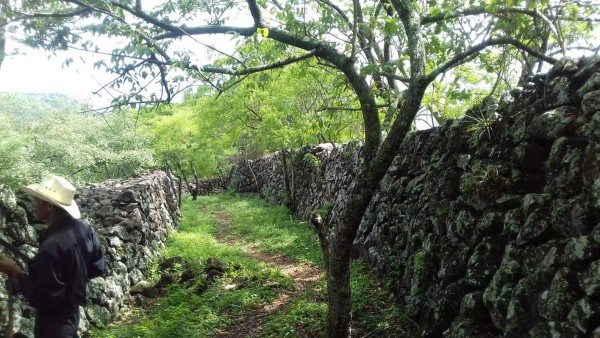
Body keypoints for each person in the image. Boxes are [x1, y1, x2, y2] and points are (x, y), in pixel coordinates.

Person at [0, 175, 106, 338]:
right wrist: (73, 283)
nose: (34, 205)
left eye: (37, 201)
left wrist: (17, 273)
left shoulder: (51, 248)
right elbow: (97, 267)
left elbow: (46, 298)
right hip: (72, 313)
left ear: (49, 205)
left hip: (54, 325)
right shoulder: (84, 228)